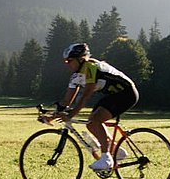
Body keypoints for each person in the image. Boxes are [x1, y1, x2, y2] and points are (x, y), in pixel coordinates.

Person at [47, 41, 139, 170]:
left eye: (70, 60)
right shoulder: (76, 76)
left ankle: (106, 159)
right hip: (112, 95)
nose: (67, 63)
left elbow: (86, 96)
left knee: (96, 120)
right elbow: (66, 101)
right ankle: (116, 150)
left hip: (127, 94)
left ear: (80, 59)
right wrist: (50, 116)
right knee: (90, 123)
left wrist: (72, 114)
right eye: (66, 61)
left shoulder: (91, 67)